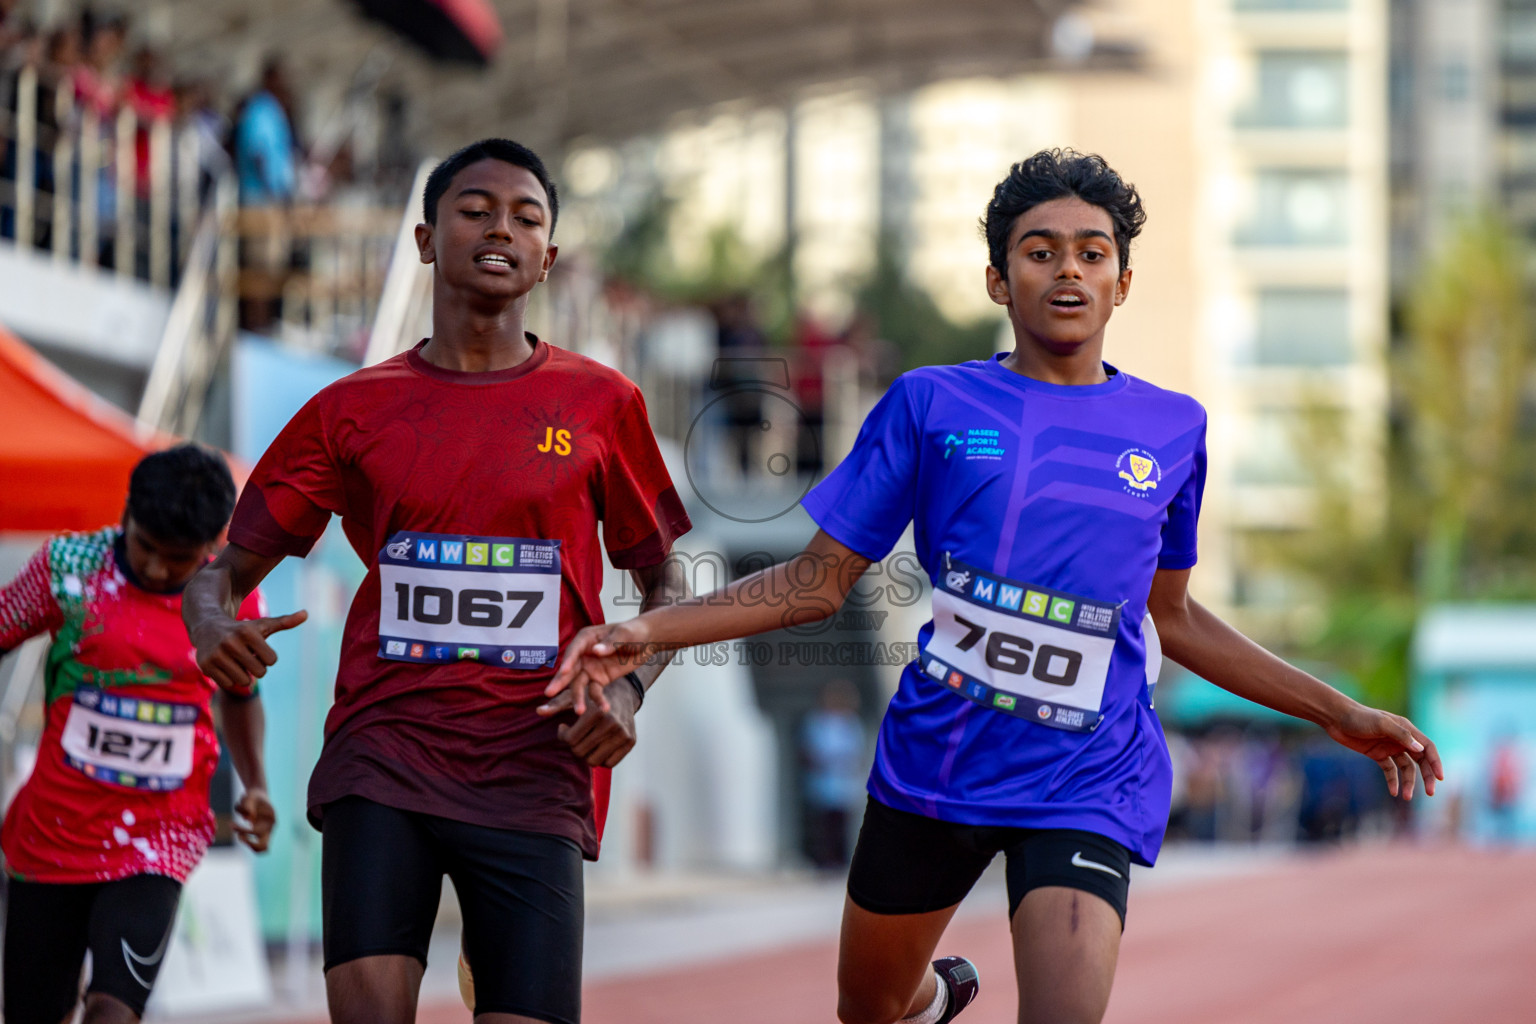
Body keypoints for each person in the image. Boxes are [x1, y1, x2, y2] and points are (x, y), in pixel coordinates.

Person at [546, 149, 1444, 1024]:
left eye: (1093, 253)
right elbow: (819, 583)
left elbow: (1174, 616)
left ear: (1121, 284)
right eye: (1040, 249)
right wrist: (652, 630)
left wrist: (1336, 712)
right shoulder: (930, 404)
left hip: (1086, 776)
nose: (1068, 270)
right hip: (939, 764)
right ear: (997, 279)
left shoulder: (1173, 429)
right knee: (870, 1007)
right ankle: (935, 1000)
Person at [183, 138, 692, 1024]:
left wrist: (632, 688)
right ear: (425, 239)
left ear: (549, 259)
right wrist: (208, 622)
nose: (501, 227)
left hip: (539, 764)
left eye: (526, 217)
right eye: (475, 209)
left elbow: (665, 591)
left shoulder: (602, 405)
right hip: (385, 758)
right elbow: (218, 574)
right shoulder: (352, 410)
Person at [0, 444, 274, 1024]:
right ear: (126, 513)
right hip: (52, 834)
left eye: (175, 560)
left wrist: (256, 784)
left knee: (113, 1011)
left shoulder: (232, 597)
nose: (153, 568)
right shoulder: (67, 568)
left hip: (158, 839)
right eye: (144, 545)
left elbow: (242, 696)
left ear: (211, 546)